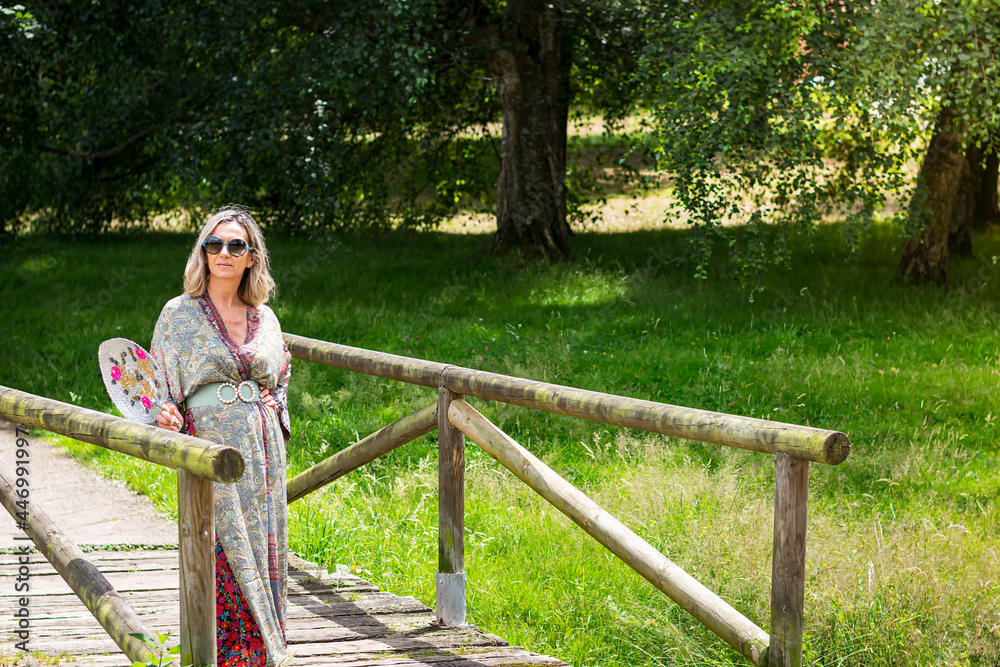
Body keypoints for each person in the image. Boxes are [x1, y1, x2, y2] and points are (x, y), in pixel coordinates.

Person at [150, 206, 292, 667]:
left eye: (235, 245)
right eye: (214, 244)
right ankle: (223, 656)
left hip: (262, 454)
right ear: (203, 253)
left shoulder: (264, 317)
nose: (223, 253)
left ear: (252, 257)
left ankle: (263, 652)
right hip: (210, 448)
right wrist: (164, 413)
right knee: (221, 548)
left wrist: (274, 402)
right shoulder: (179, 313)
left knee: (262, 544)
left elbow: (281, 375)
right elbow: (156, 385)